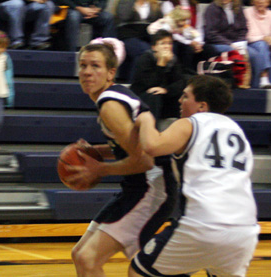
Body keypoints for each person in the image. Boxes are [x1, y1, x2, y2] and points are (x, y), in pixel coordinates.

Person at [64, 38, 177, 276]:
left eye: (95, 66)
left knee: (88, 258)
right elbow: (130, 145)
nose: (86, 72)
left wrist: (99, 169)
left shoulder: (109, 105)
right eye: (83, 65)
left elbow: (144, 160)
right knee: (80, 254)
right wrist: (98, 151)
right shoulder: (113, 97)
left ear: (110, 72)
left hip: (153, 187)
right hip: (138, 186)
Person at [129, 75, 260, 277]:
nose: (180, 101)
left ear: (201, 106)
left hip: (201, 224)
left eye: (185, 96)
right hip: (245, 230)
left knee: (139, 270)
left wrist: (146, 118)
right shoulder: (237, 131)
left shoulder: (191, 123)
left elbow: (152, 146)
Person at [203, 0, 265, 88]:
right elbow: (211, 33)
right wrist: (229, 44)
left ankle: (254, 87)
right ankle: (237, 84)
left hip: (237, 42)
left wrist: (240, 43)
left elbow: (243, 29)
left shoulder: (238, 7)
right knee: (233, 52)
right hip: (217, 43)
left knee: (255, 55)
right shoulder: (212, 9)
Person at [131, 30, 187, 126]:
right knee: (154, 95)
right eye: (162, 43)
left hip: (164, 96)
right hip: (143, 97)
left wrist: (166, 90)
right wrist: (161, 64)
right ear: (154, 47)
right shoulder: (145, 58)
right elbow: (148, 84)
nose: (167, 46)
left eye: (169, 43)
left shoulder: (173, 60)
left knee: (185, 93)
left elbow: (180, 82)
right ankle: (151, 131)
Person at [147, 6, 216, 71]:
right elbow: (174, 37)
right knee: (185, 48)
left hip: (173, 39)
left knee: (208, 48)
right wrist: (189, 43)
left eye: (186, 20)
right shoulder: (167, 24)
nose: (185, 22)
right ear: (177, 18)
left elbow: (194, 33)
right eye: (183, 20)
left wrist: (198, 43)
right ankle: (186, 71)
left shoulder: (182, 24)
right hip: (157, 38)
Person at [114, 0, 163, 82]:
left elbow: (159, 20)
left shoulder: (153, 4)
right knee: (144, 51)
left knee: (161, 48)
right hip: (128, 37)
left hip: (147, 37)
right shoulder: (125, 2)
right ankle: (133, 84)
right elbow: (124, 16)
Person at [244, 0, 271, 87]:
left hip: (267, 46)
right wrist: (263, 38)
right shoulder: (246, 12)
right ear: (253, 1)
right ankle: (264, 77)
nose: (260, 2)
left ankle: (270, 86)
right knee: (261, 44)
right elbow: (247, 36)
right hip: (251, 45)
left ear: (268, 2)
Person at [0, 30, 15, 151]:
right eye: (0, 47)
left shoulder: (5, 58)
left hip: (0, 93)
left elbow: (9, 76)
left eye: (4, 47)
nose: (3, 49)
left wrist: (10, 95)